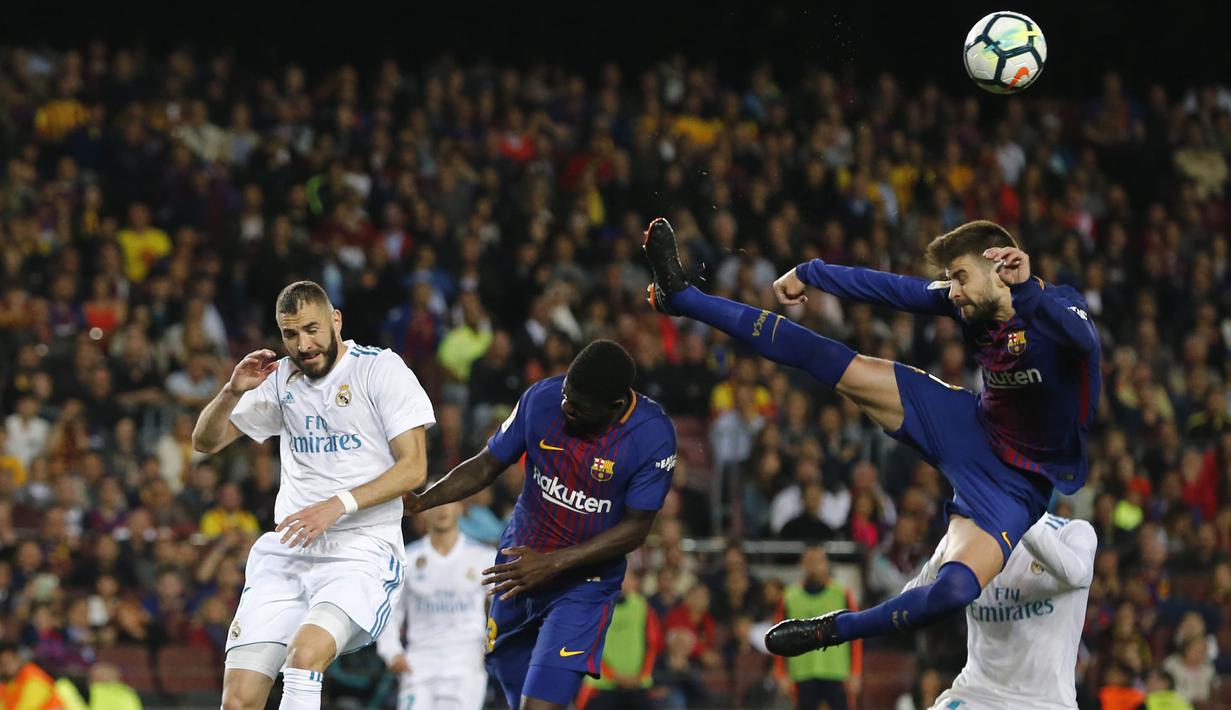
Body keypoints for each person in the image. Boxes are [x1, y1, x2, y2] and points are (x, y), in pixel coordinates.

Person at [640, 217, 1101, 652]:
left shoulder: (1056, 304)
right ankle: (681, 297)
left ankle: (831, 629)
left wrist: (1029, 293)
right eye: (951, 279)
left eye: (960, 276)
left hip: (1016, 484)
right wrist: (811, 272)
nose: (953, 291)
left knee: (954, 591)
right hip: (969, 425)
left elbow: (1086, 342)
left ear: (1000, 265)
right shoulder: (967, 305)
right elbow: (893, 289)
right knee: (827, 359)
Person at [191, 280, 435, 710]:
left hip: (361, 553)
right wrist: (232, 391)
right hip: (287, 553)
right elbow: (205, 442)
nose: (303, 345)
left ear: (335, 320)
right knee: (238, 700)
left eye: (312, 329)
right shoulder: (280, 378)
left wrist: (337, 505)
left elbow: (414, 468)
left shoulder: (379, 369)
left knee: (304, 656)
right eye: (290, 334)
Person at [407, 340, 677, 710]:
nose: (566, 407)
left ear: (614, 407)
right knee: (520, 698)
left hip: (583, 585)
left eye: (580, 407)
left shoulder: (652, 436)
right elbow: (488, 463)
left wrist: (552, 563)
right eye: (567, 395)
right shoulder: (542, 398)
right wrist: (423, 500)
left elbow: (636, 528)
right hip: (516, 572)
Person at [905, 513, 1096, 709]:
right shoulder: (967, 538)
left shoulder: (1071, 532)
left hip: (1044, 702)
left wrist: (1017, 519)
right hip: (976, 694)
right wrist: (939, 564)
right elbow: (908, 609)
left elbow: (1078, 575)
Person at [375, 498, 495, 710]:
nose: (441, 507)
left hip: (466, 661)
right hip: (419, 662)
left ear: (460, 508)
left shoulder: (483, 557)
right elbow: (391, 611)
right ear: (422, 512)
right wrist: (391, 651)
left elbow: (503, 609)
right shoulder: (407, 560)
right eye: (435, 501)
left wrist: (494, 648)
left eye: (449, 501)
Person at [772, 546, 861, 710]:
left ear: (826, 564)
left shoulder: (842, 594)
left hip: (837, 672)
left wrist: (855, 672)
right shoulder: (789, 597)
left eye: (818, 561)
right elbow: (779, 638)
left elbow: (856, 635)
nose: (814, 565)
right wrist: (780, 674)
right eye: (809, 561)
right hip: (801, 673)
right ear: (802, 564)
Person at [576, 567, 663, 710]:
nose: (623, 580)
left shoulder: (642, 606)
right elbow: (587, 645)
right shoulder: (594, 607)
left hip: (637, 684)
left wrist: (641, 675)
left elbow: (653, 643)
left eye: (627, 575)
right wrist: (615, 676)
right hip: (602, 685)